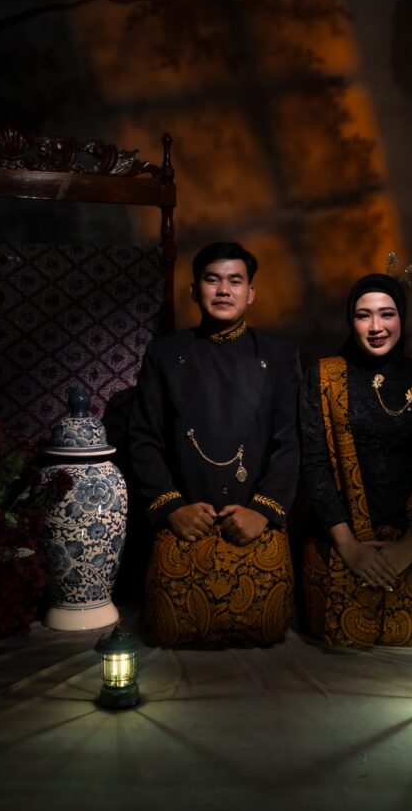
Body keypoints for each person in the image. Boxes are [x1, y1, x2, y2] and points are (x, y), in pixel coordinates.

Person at [129, 241, 301, 646]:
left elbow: (290, 441)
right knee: (169, 628)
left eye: (235, 281)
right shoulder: (165, 353)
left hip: (253, 518)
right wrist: (172, 508)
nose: (224, 290)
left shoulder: (279, 354)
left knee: (268, 626)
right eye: (212, 280)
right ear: (194, 290)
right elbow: (142, 438)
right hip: (186, 518)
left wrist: (263, 511)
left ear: (250, 292)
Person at [298, 265, 412, 650]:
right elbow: (314, 465)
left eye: (387, 314)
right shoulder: (323, 376)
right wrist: (348, 545)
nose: (375, 327)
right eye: (363, 315)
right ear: (350, 321)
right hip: (340, 539)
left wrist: (409, 544)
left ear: (402, 317)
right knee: (337, 631)